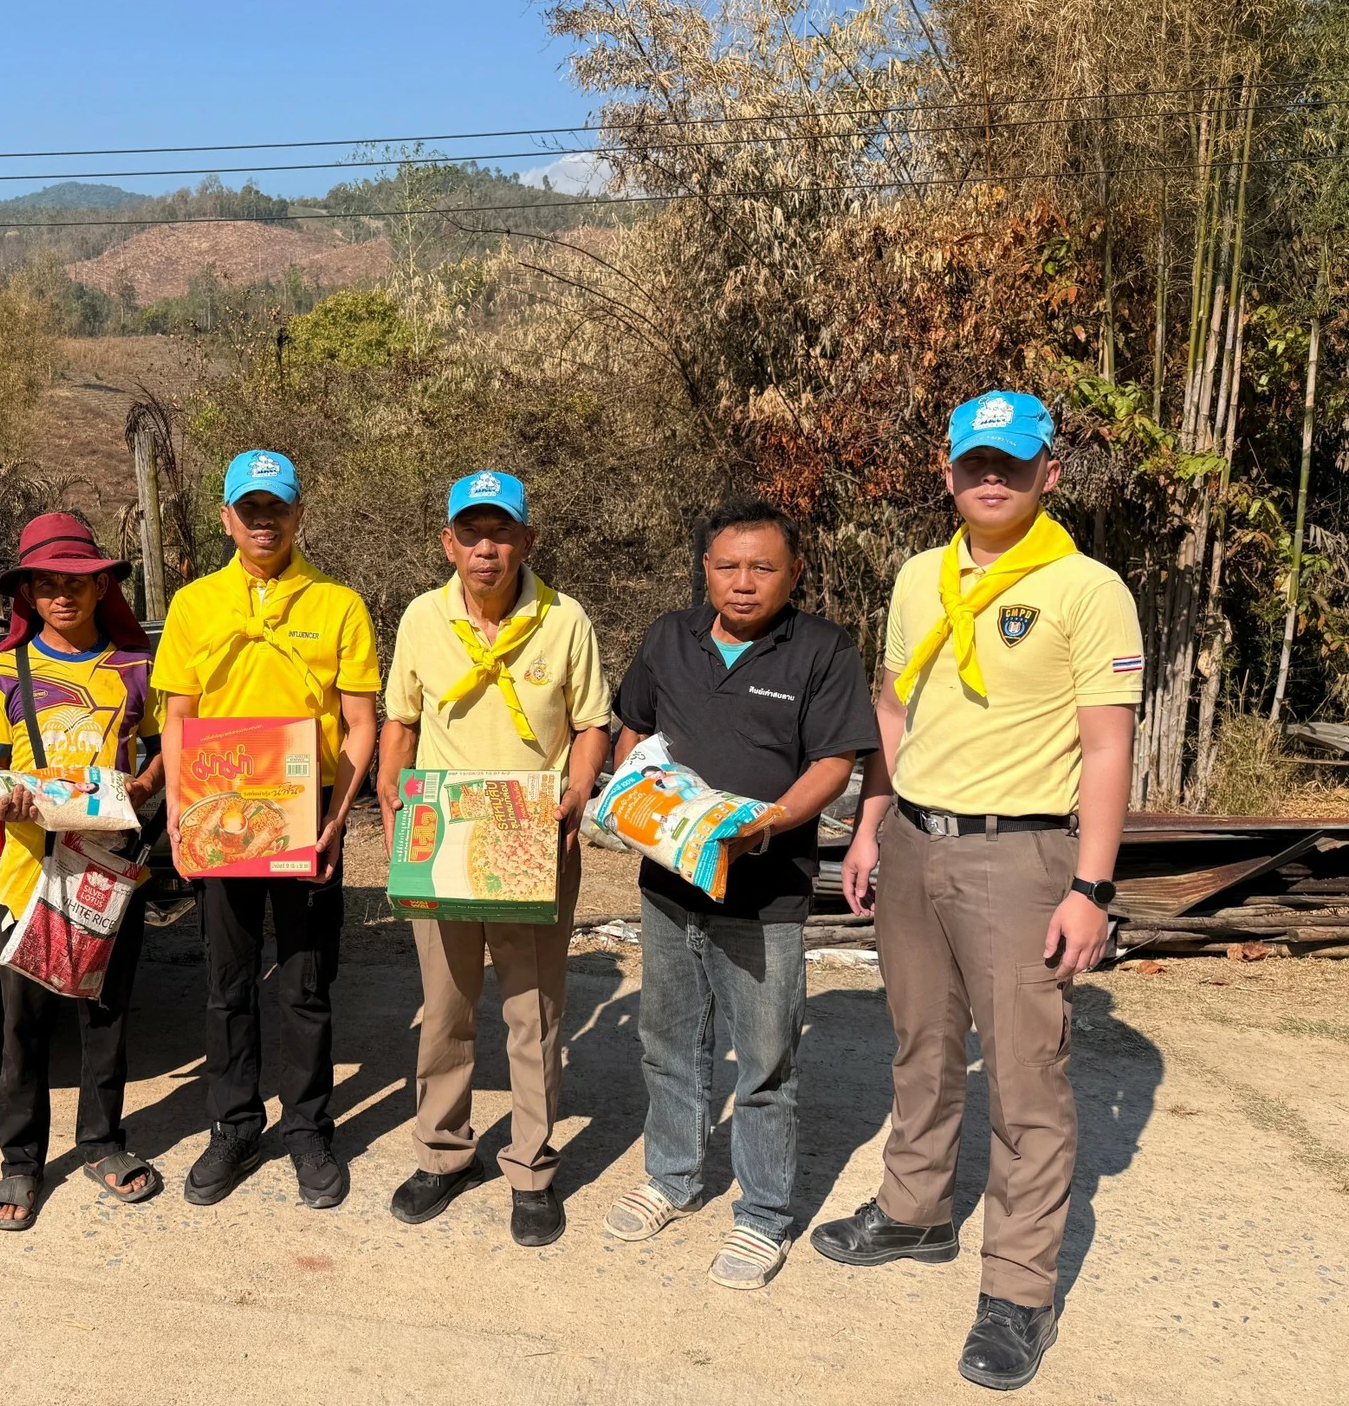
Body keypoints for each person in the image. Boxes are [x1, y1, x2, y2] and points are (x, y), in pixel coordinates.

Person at [809, 391, 1140, 1392]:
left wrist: (1090, 886)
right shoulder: (920, 576)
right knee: (920, 1042)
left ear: (1048, 473)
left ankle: (1018, 1291)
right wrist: (872, 825)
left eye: (1011, 462)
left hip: (1021, 853)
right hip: (915, 841)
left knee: (1025, 1076)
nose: (990, 477)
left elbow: (1105, 747)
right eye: (974, 462)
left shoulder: (1088, 589)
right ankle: (914, 1212)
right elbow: (894, 706)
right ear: (946, 472)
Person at [603, 499, 879, 1287]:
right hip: (669, 885)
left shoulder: (822, 649)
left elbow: (834, 762)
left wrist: (769, 823)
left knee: (764, 1062)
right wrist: (630, 797)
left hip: (767, 894)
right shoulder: (670, 637)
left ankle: (763, 1215)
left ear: (795, 573)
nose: (744, 582)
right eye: (727, 566)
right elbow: (633, 729)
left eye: (763, 567)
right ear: (706, 570)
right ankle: (672, 1178)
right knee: (669, 1043)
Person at [377, 470, 611, 1247]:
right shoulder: (422, 617)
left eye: (502, 532)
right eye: (472, 533)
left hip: (531, 840)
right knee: (444, 1010)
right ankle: (443, 1154)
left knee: (532, 1012)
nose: (487, 548)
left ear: (527, 541)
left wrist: (576, 792)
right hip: (443, 839)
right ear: (447, 542)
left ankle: (531, 1167)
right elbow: (402, 719)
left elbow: (592, 723)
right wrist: (389, 784)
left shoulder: (565, 620)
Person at [154, 449, 380, 1210]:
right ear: (226, 518)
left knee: (306, 982)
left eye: (276, 507)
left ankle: (308, 1128)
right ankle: (234, 1126)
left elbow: (359, 722)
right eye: (249, 509)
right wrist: (182, 813)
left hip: (307, 814)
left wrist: (338, 819)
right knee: (228, 983)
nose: (263, 521)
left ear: (298, 515)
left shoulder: (338, 605)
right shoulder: (194, 605)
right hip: (218, 814)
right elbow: (178, 717)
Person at [0, 513, 166, 1232]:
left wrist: (140, 790)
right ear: (27, 594)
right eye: (48, 584)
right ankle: (21, 1159)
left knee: (106, 1015)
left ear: (102, 587)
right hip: (28, 874)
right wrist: (1, 796)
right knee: (23, 1025)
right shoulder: (4, 672)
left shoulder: (135, 667)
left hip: (107, 872)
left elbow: (167, 747)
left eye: (77, 582)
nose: (63, 595)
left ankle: (102, 1142)